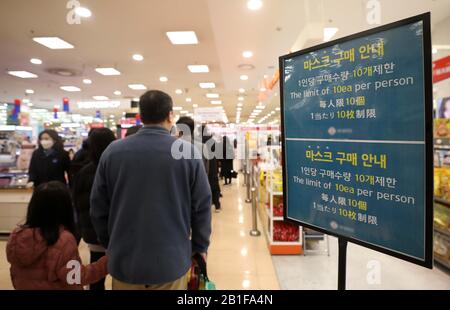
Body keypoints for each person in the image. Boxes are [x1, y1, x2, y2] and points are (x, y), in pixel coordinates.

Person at [90, 90, 212, 290]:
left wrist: (112, 243)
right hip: (170, 261)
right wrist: (199, 247)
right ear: (170, 116)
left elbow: (98, 208)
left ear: (141, 115)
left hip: (125, 262)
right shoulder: (188, 153)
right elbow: (201, 206)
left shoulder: (113, 152)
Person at [6, 181, 108, 290]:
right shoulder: (63, 240)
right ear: (65, 208)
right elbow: (77, 278)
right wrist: (107, 262)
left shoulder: (16, 236)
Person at [73, 128, 116, 290]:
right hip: (116, 232)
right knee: (121, 273)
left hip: (92, 232)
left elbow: (76, 201)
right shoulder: (116, 169)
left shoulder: (83, 171)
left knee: (95, 274)